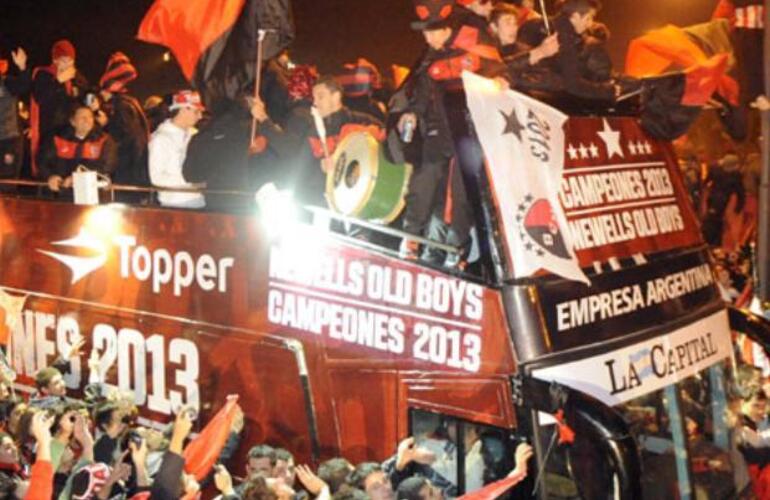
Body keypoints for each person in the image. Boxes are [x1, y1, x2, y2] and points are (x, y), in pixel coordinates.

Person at [397, 0, 508, 269]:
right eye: (424, 32)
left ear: (447, 29)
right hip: (437, 133)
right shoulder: (430, 57)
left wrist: (501, 81)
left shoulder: (475, 44)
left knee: (458, 195)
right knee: (423, 185)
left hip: (469, 134)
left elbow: (500, 72)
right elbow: (421, 93)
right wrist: (412, 112)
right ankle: (412, 240)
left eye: (432, 31)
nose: (428, 37)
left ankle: (455, 248)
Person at [517, 0, 621, 101]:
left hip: (523, 93)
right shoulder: (565, 37)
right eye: (588, 18)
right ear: (575, 16)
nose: (590, 24)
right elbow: (573, 84)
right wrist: (607, 91)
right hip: (543, 100)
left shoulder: (536, 24)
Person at [30, 39, 89, 177]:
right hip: (50, 130)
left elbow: (86, 95)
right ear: (55, 60)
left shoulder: (77, 77)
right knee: (49, 167)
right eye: (63, 60)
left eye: (70, 61)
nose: (67, 65)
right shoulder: (43, 74)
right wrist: (59, 80)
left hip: (70, 131)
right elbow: (40, 97)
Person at [99, 52, 150, 196]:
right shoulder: (130, 103)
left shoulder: (120, 107)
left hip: (126, 172)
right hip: (136, 170)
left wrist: (105, 125)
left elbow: (122, 138)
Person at [37, 104, 117, 196]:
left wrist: (79, 178)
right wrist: (50, 176)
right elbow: (43, 162)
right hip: (64, 192)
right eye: (82, 117)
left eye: (90, 117)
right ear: (73, 121)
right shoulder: (59, 139)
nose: (86, 121)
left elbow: (107, 166)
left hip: (94, 192)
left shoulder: (104, 140)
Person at [149, 90, 206, 209]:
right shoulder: (161, 139)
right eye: (197, 111)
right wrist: (191, 180)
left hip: (200, 200)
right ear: (184, 109)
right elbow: (157, 178)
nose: (200, 116)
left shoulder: (195, 134)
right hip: (175, 204)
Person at [0, 47, 30, 191]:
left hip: (8, 140)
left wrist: (22, 68)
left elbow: (24, 85)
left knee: (7, 183)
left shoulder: (7, 82)